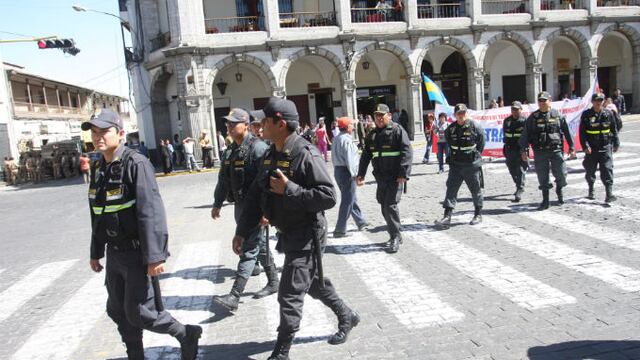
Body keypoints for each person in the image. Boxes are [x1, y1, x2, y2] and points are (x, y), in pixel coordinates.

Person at [234, 97, 359, 359]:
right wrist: (242, 231)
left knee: (289, 293)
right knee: (312, 284)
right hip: (289, 232)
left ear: (280, 123)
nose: (260, 125)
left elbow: (328, 196)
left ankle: (282, 351)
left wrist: (290, 189)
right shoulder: (271, 153)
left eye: (265, 120)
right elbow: (257, 196)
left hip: (308, 234)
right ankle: (346, 315)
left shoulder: (304, 152)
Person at [82, 109, 201, 360]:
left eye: (104, 131)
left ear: (121, 133)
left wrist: (155, 256)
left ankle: (185, 333)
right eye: (94, 132)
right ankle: (135, 354)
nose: (98, 137)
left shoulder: (136, 164)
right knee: (117, 310)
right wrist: (95, 252)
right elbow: (98, 214)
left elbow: (151, 212)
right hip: (114, 253)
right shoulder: (98, 167)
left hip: (137, 252)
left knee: (139, 312)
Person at [211, 108, 278, 311]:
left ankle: (234, 295)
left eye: (234, 124)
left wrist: (267, 212)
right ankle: (274, 281)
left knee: (249, 250)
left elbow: (270, 181)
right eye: (227, 124)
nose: (229, 127)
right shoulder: (230, 151)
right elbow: (223, 180)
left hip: (257, 208)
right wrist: (217, 203)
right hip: (240, 207)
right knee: (260, 245)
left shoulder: (258, 149)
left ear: (246, 126)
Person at [357, 103, 412, 253]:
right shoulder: (372, 134)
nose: (379, 118)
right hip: (381, 178)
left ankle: (394, 236)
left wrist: (403, 174)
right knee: (383, 204)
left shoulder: (397, 130)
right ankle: (396, 233)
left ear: (389, 115)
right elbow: (365, 156)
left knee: (390, 205)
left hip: (395, 177)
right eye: (377, 116)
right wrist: (361, 174)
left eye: (382, 115)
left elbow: (407, 152)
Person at [520, 91, 575, 210]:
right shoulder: (533, 118)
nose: (542, 103)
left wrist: (571, 147)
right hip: (540, 151)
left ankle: (559, 188)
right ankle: (545, 200)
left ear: (550, 101)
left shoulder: (557, 115)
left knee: (561, 174)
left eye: (544, 100)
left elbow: (567, 131)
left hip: (556, 150)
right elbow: (525, 135)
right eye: (539, 101)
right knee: (542, 176)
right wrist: (524, 151)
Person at [435, 104, 485, 228]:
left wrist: (476, 154)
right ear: (455, 115)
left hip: (471, 164)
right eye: (459, 113)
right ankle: (447, 216)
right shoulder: (451, 129)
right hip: (456, 165)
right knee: (451, 189)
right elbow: (447, 142)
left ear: (466, 113)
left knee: (475, 189)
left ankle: (478, 214)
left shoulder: (474, 126)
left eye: (463, 113)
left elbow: (482, 140)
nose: (461, 115)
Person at [332, 117, 369, 238]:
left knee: (351, 198)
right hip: (347, 172)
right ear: (347, 127)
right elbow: (350, 160)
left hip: (338, 171)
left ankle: (360, 221)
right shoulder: (347, 140)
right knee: (347, 201)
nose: (353, 127)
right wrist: (356, 175)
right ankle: (340, 229)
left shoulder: (337, 138)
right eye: (351, 125)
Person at [579, 92, 620, 203]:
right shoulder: (586, 114)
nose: (598, 103)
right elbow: (582, 133)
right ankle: (591, 189)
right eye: (596, 100)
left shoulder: (608, 113)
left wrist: (616, 143)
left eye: (601, 100)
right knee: (590, 170)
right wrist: (585, 146)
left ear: (603, 101)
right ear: (592, 102)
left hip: (606, 147)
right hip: (592, 149)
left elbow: (613, 129)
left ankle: (609, 193)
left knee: (607, 170)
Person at [502, 101, 528, 202]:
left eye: (516, 109)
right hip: (509, 148)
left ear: (521, 110)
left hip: (520, 148)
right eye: (513, 109)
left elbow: (527, 135)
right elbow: (505, 133)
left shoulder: (524, 120)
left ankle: (519, 189)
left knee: (520, 168)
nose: (514, 111)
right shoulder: (507, 121)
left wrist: (525, 149)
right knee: (511, 168)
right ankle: (518, 184)